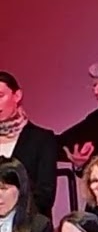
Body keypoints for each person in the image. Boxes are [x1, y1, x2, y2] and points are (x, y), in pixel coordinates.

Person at [0, 71, 57, 217]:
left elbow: (45, 195)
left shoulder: (41, 139)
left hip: (29, 225)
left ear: (17, 95)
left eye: (0, 96)